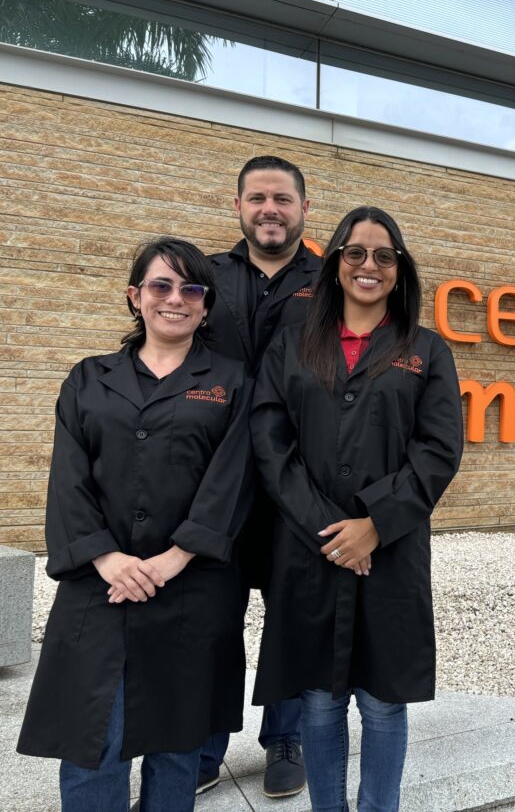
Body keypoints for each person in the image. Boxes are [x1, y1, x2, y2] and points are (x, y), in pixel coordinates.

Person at [17, 237, 251, 812]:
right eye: (161, 286)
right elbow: (68, 480)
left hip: (190, 588)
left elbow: (233, 482)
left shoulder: (232, 382)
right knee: (96, 738)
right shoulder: (88, 379)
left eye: (190, 289)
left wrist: (173, 558)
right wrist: (108, 559)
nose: (176, 299)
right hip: (101, 589)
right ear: (135, 296)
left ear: (205, 304)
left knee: (176, 743)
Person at [251, 206, 463, 811]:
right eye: (356, 253)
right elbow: (269, 444)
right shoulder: (292, 345)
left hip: (390, 551)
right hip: (307, 547)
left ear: (400, 271)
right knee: (318, 697)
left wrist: (375, 523)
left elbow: (439, 449)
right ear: (335, 263)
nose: (369, 265)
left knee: (381, 700)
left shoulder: (426, 351)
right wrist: (331, 531)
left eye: (384, 256)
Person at [197, 155, 323, 798]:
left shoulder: (329, 283)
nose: (268, 209)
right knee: (211, 615)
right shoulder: (203, 277)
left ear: (304, 207)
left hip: (295, 477)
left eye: (282, 198)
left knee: (292, 614)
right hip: (213, 476)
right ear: (239, 206)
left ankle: (286, 737)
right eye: (256, 198)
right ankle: (203, 742)